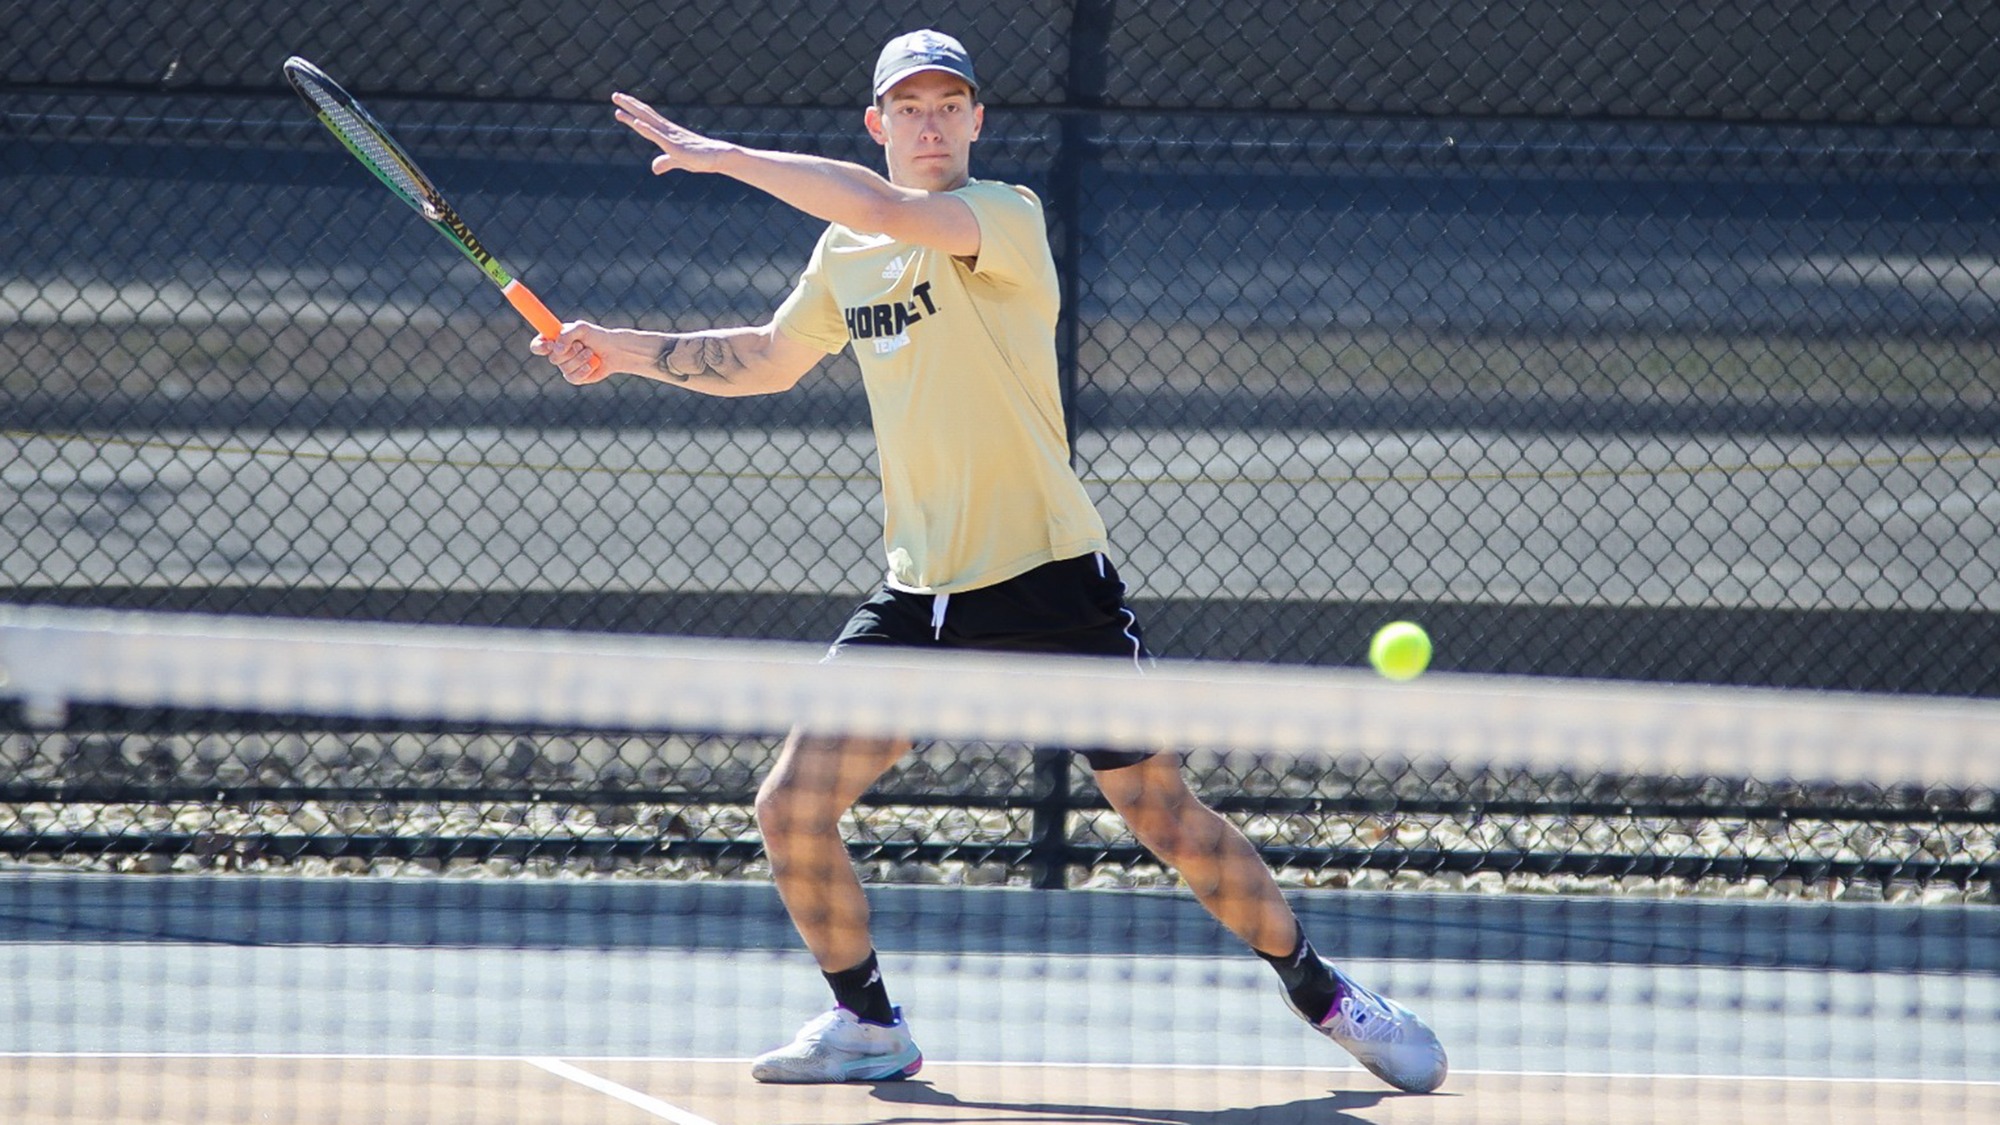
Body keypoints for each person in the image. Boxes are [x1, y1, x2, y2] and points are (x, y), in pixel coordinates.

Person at [533, 29, 1448, 1095]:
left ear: (975, 121)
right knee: (788, 805)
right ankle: (866, 1022)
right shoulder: (845, 257)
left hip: (1050, 581)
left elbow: (882, 211)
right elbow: (772, 360)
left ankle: (1323, 994)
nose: (928, 124)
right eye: (907, 108)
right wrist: (620, 351)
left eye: (946, 106)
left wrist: (722, 155)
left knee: (1163, 819)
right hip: (919, 594)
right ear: (876, 124)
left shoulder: (1000, 218)